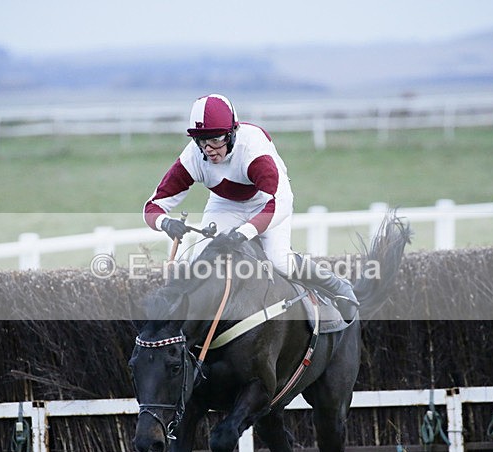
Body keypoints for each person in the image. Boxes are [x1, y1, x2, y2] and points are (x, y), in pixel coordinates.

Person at [142, 94, 357, 319]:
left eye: (216, 139)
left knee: (279, 260)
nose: (208, 149)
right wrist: (165, 222)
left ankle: (337, 285)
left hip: (268, 202)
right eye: (202, 140)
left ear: (232, 133)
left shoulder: (253, 151)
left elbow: (281, 202)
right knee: (199, 266)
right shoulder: (192, 156)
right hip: (224, 203)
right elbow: (152, 206)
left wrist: (244, 232)